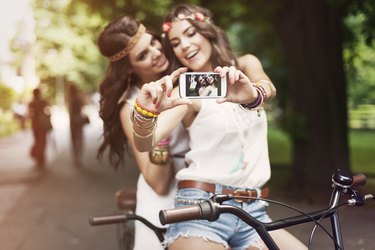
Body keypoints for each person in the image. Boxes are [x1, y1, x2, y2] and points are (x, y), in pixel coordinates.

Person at [132, 3, 306, 250]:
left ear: (208, 30)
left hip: (253, 210)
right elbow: (144, 142)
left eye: (191, 33)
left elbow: (268, 88)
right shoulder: (186, 90)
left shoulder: (246, 64)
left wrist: (252, 95)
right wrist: (145, 112)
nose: (185, 46)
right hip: (201, 208)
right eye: (176, 42)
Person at [96, 15, 189, 250]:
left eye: (153, 42)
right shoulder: (130, 107)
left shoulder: (184, 70)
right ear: (129, 69)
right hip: (167, 194)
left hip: (207, 177)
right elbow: (158, 183)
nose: (156, 52)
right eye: (142, 55)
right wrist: (155, 121)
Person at [28, 87, 52, 167]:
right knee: (42, 142)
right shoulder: (43, 102)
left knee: (38, 142)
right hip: (42, 125)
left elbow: (30, 114)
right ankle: (41, 158)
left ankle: (39, 158)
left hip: (35, 125)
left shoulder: (31, 103)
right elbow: (49, 110)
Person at [66, 83, 88, 167]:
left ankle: (76, 157)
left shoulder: (69, 98)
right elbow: (83, 105)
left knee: (74, 139)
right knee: (79, 139)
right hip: (78, 122)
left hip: (73, 122)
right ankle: (78, 156)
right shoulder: (77, 97)